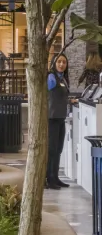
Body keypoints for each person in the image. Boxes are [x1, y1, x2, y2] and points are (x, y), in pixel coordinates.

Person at [47, 54, 71, 190]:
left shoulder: (63, 78)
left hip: (61, 118)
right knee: (51, 150)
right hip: (52, 118)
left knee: (59, 149)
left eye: (64, 62)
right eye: (59, 62)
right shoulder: (51, 77)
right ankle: (49, 178)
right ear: (54, 63)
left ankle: (55, 177)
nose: (61, 64)